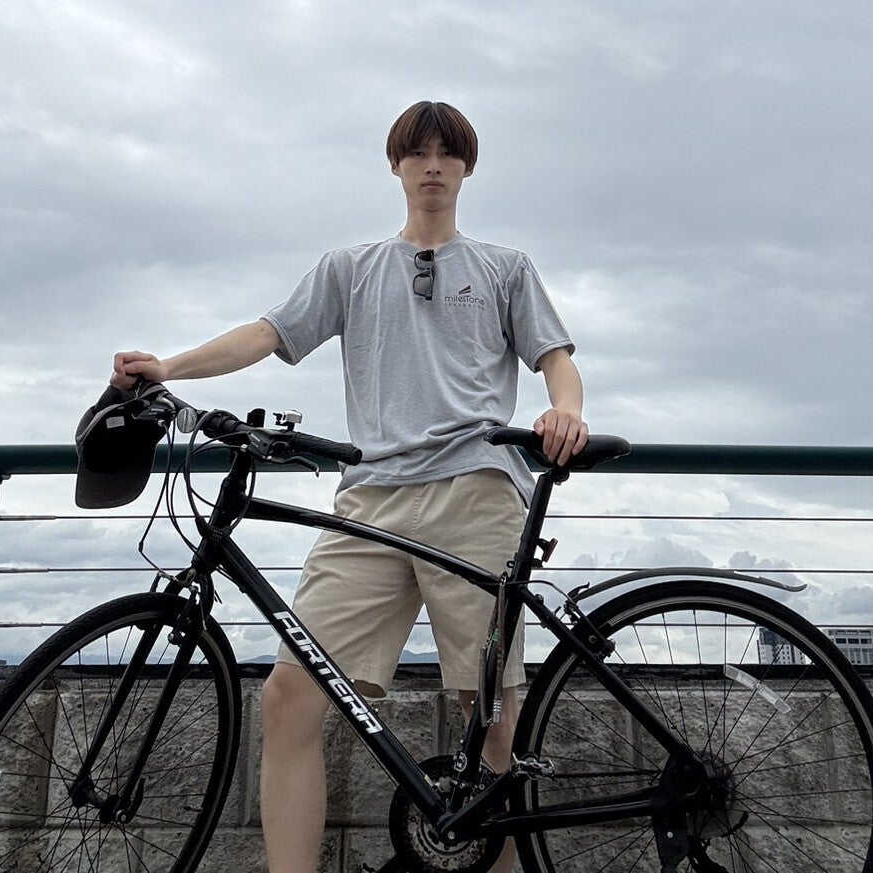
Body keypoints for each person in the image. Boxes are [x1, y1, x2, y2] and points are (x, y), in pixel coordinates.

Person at [110, 100, 588, 873]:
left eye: (448, 153)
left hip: (476, 488)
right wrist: (170, 366)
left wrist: (566, 411)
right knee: (290, 696)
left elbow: (556, 358)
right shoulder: (350, 267)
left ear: (467, 167)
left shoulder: (506, 267)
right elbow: (267, 332)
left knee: (492, 719)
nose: (432, 165)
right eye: (417, 152)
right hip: (370, 500)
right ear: (395, 165)